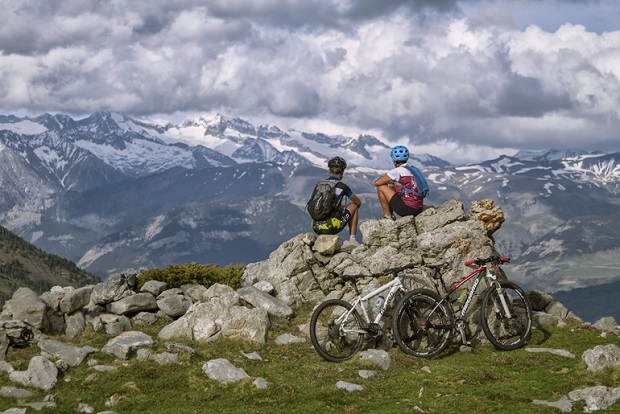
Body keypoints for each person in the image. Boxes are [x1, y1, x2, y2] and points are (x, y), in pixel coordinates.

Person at [311, 156, 362, 240]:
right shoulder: (342, 186)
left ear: (329, 170)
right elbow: (358, 202)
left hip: (315, 226)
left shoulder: (319, 184)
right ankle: (352, 239)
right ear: (342, 172)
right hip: (332, 226)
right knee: (354, 206)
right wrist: (344, 209)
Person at [373, 145, 424, 219]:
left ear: (393, 159)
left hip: (407, 209)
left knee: (381, 187)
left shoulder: (397, 171)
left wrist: (379, 179)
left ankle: (388, 216)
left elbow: (377, 183)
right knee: (391, 186)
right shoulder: (413, 169)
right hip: (419, 208)